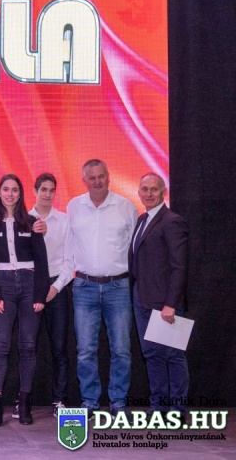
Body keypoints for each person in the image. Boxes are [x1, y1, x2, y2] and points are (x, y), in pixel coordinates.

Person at [66, 159, 137, 415]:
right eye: (92, 177)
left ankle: (118, 402)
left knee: (121, 349)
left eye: (101, 176)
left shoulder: (126, 207)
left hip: (118, 287)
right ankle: (90, 401)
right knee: (85, 350)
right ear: (84, 180)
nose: (97, 181)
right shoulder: (74, 206)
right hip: (84, 287)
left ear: (108, 177)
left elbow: (135, 249)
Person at [0, 174, 50, 427]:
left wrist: (40, 295)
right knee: (0, 345)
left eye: (15, 190)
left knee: (28, 346)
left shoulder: (31, 222)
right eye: (6, 189)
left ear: (20, 194)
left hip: (29, 285)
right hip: (3, 286)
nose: (10, 194)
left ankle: (25, 402)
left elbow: (41, 260)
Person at [129, 173, 189, 420]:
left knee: (173, 355)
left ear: (164, 192)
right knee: (152, 355)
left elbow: (179, 267)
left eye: (154, 189)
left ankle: (177, 410)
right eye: (145, 189)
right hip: (142, 298)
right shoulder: (142, 219)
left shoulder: (172, 221)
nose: (149, 193)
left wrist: (171, 304)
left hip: (165, 303)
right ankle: (159, 407)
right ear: (139, 192)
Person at [28, 173, 73, 418]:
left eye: (51, 190)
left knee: (59, 348)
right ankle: (24, 399)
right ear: (35, 192)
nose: (47, 194)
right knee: (27, 347)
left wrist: (55, 288)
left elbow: (69, 261)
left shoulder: (64, 221)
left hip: (57, 287)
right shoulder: (23, 220)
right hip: (29, 289)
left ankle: (60, 399)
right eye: (43, 189)